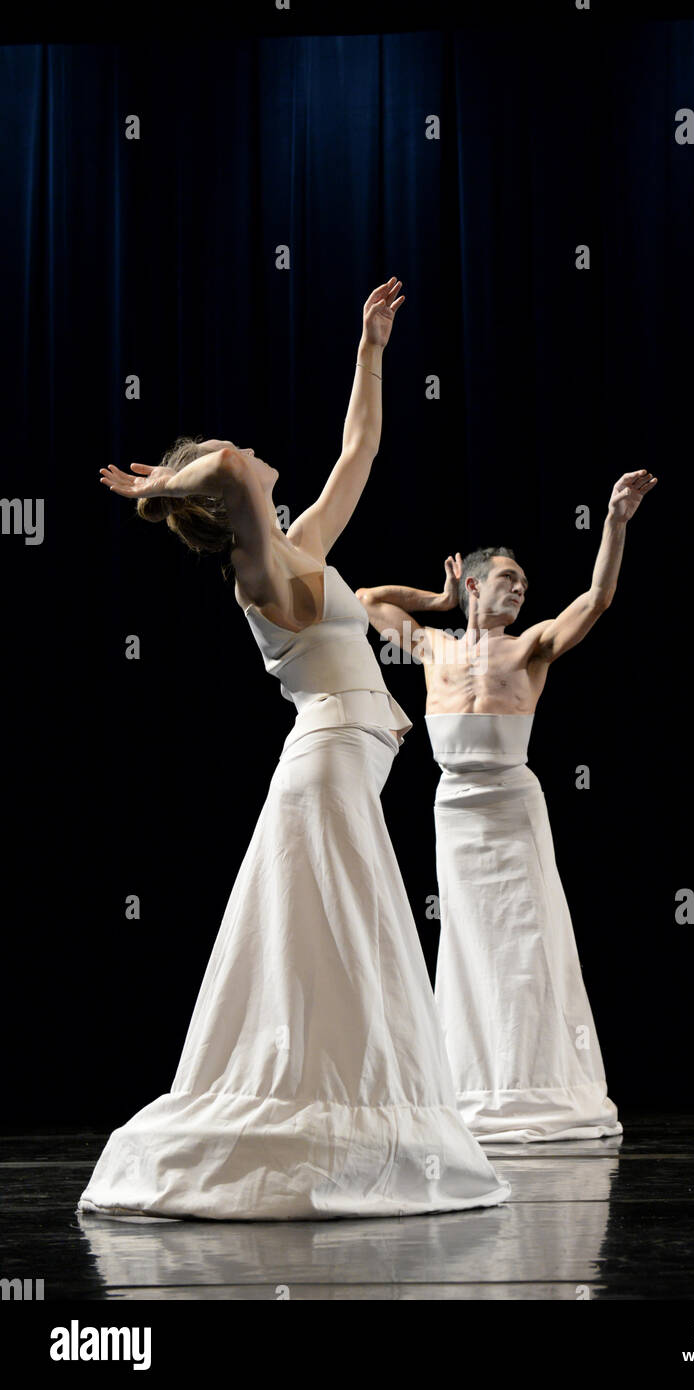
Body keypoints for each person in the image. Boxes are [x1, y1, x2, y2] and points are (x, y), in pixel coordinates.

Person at [78, 278, 510, 1219]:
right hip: (325, 763)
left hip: (345, 761)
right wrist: (164, 483)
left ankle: (343, 1109)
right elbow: (230, 462)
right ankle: (327, 1119)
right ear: (226, 507)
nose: (265, 458)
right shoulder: (257, 567)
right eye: (244, 472)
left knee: (338, 939)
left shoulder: (301, 544)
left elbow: (360, 451)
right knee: (340, 936)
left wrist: (370, 349)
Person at [356, 469, 658, 1142]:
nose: (520, 590)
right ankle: (471, 1084)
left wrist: (614, 521)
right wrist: (435, 596)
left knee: (524, 942)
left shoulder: (531, 647)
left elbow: (598, 598)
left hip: (510, 801)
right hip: (454, 806)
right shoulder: (431, 646)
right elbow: (365, 597)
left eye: (523, 584)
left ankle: (535, 1086)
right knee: (465, 944)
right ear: (472, 584)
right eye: (506, 580)